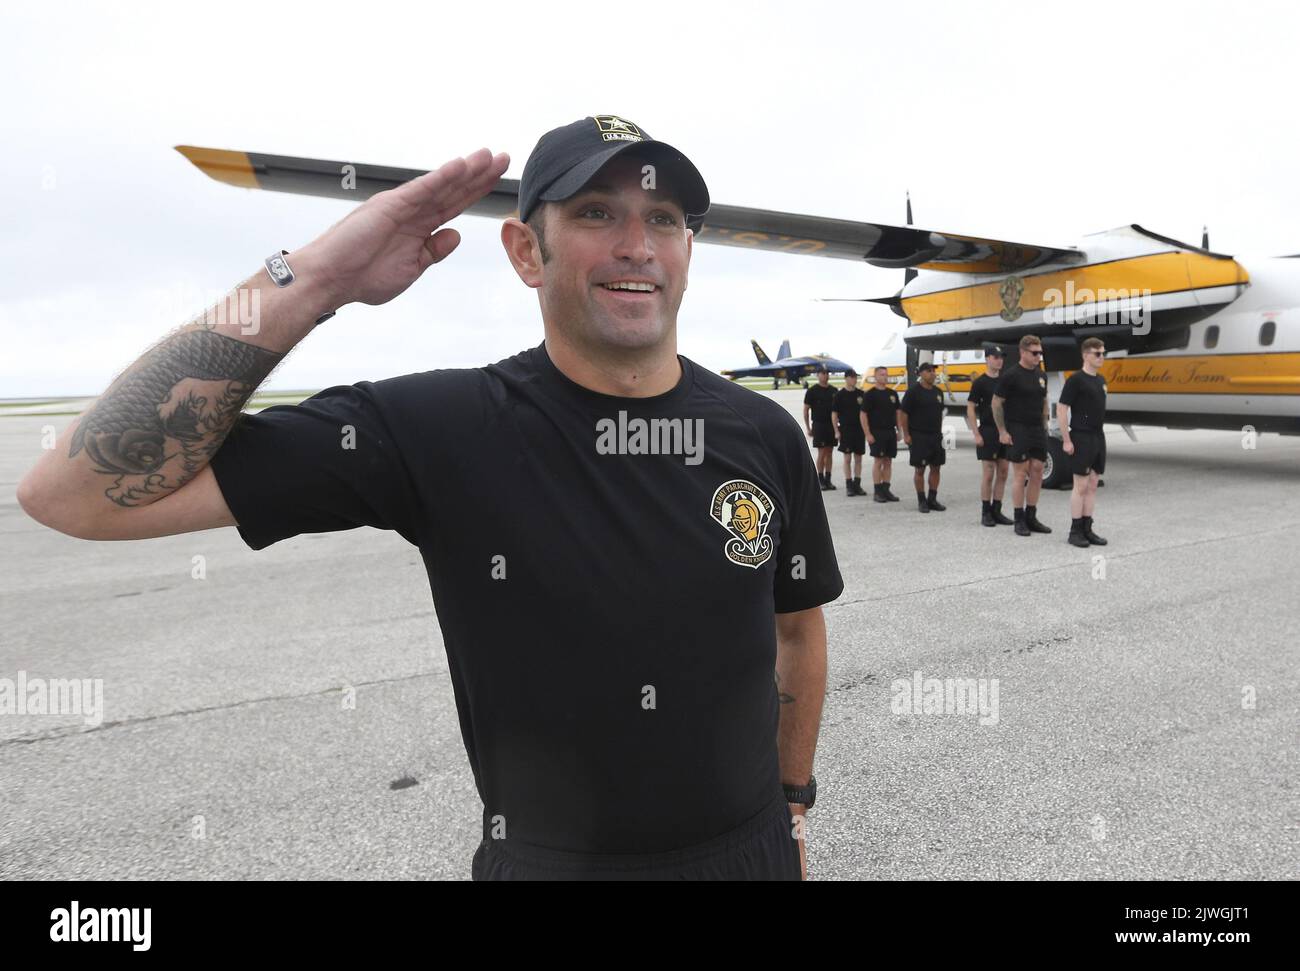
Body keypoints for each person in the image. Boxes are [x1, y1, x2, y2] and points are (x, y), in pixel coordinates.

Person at [17, 115, 844, 881]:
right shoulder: (439, 426)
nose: (639, 245)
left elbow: (798, 629)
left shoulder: (761, 432)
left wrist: (794, 803)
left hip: (751, 857)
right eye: (597, 213)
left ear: (689, 251)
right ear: (526, 251)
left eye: (664, 219)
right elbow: (74, 494)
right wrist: (315, 279)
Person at [993, 335, 1052, 537]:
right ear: (1023, 352)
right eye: (1035, 353)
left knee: (1037, 470)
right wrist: (1002, 431)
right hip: (1017, 428)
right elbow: (996, 403)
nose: (1038, 356)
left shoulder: (1042, 375)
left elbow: (1044, 400)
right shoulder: (1011, 375)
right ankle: (1018, 519)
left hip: (1037, 429)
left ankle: (1031, 516)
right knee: (1020, 473)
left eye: (1040, 353)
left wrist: (1045, 424)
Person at [1058, 337, 1109, 547]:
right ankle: (1075, 530)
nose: (1102, 357)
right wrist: (1066, 439)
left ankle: (1088, 528)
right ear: (1086, 355)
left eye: (1103, 353)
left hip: (1098, 436)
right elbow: (1062, 409)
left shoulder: (1101, 380)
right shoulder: (1075, 380)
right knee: (1080, 485)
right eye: (1098, 353)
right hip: (1081, 436)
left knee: (1093, 484)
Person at [965, 346, 1014, 527]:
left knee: (1003, 472)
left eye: (1001, 357)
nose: (999, 360)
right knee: (988, 473)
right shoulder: (980, 382)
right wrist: (975, 433)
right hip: (987, 431)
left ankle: (997, 510)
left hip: (1005, 431)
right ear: (987, 359)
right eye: (995, 357)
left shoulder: (1005, 381)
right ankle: (985, 512)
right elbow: (970, 407)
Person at [898, 362, 947, 513]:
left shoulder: (938, 392)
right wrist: (906, 434)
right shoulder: (913, 392)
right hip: (919, 436)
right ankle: (922, 500)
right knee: (920, 469)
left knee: (936, 467)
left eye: (933, 371)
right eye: (928, 371)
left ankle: (932, 499)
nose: (932, 373)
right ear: (920, 374)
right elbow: (903, 414)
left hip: (936, 436)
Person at [861, 366, 901, 503]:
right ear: (876, 376)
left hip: (890, 431)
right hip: (876, 432)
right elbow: (863, 415)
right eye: (882, 374)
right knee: (878, 461)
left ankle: (886, 489)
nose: (885, 377)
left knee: (888, 461)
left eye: (886, 374)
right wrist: (867, 434)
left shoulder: (892, 394)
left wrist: (899, 430)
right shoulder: (870, 394)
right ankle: (877, 491)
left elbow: (897, 413)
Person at [832, 369, 867, 496]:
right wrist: (836, 430)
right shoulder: (839, 395)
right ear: (846, 378)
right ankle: (848, 484)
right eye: (851, 377)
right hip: (846, 429)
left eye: (855, 377)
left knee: (858, 458)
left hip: (859, 430)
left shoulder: (861, 394)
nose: (854, 380)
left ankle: (857, 484)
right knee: (847, 458)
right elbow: (834, 414)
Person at [803, 365, 837, 491]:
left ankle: (828, 479)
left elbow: (838, 411)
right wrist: (808, 427)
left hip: (831, 425)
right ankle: (820, 478)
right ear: (818, 375)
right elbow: (806, 410)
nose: (825, 375)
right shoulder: (812, 391)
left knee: (830, 452)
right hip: (819, 425)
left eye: (827, 373)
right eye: (823, 373)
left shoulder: (834, 390)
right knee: (822, 452)